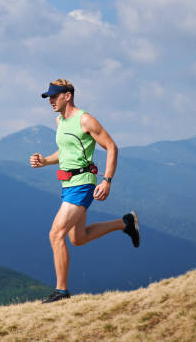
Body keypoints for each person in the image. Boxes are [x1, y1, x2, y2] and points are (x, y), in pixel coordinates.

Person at [30, 79, 140, 304]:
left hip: (82, 184)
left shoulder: (85, 120)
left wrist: (107, 180)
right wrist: (45, 161)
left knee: (56, 234)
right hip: (68, 184)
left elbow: (111, 147)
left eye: (54, 96)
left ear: (67, 95)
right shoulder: (60, 121)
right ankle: (126, 222)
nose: (50, 100)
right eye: (48, 97)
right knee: (78, 238)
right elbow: (64, 152)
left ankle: (61, 292)